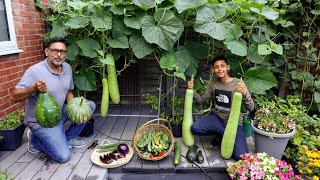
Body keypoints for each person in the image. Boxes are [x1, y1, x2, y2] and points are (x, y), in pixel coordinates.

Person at [11, 37, 96, 163]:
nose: (59, 55)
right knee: (63, 156)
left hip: (59, 112)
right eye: (55, 51)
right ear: (46, 52)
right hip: (42, 121)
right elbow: (14, 97)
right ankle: (35, 140)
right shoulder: (34, 71)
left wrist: (76, 108)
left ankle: (67, 137)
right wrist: (33, 88)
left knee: (90, 106)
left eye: (63, 52)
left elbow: (68, 91)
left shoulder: (67, 68)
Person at [187, 55, 254, 160]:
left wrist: (245, 93)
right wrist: (192, 90)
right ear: (213, 70)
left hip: (234, 123)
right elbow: (201, 100)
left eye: (222, 66)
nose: (220, 69)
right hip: (217, 119)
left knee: (240, 156)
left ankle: (225, 136)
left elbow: (251, 107)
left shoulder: (238, 83)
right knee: (195, 128)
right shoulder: (212, 84)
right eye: (216, 67)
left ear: (228, 67)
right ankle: (223, 135)